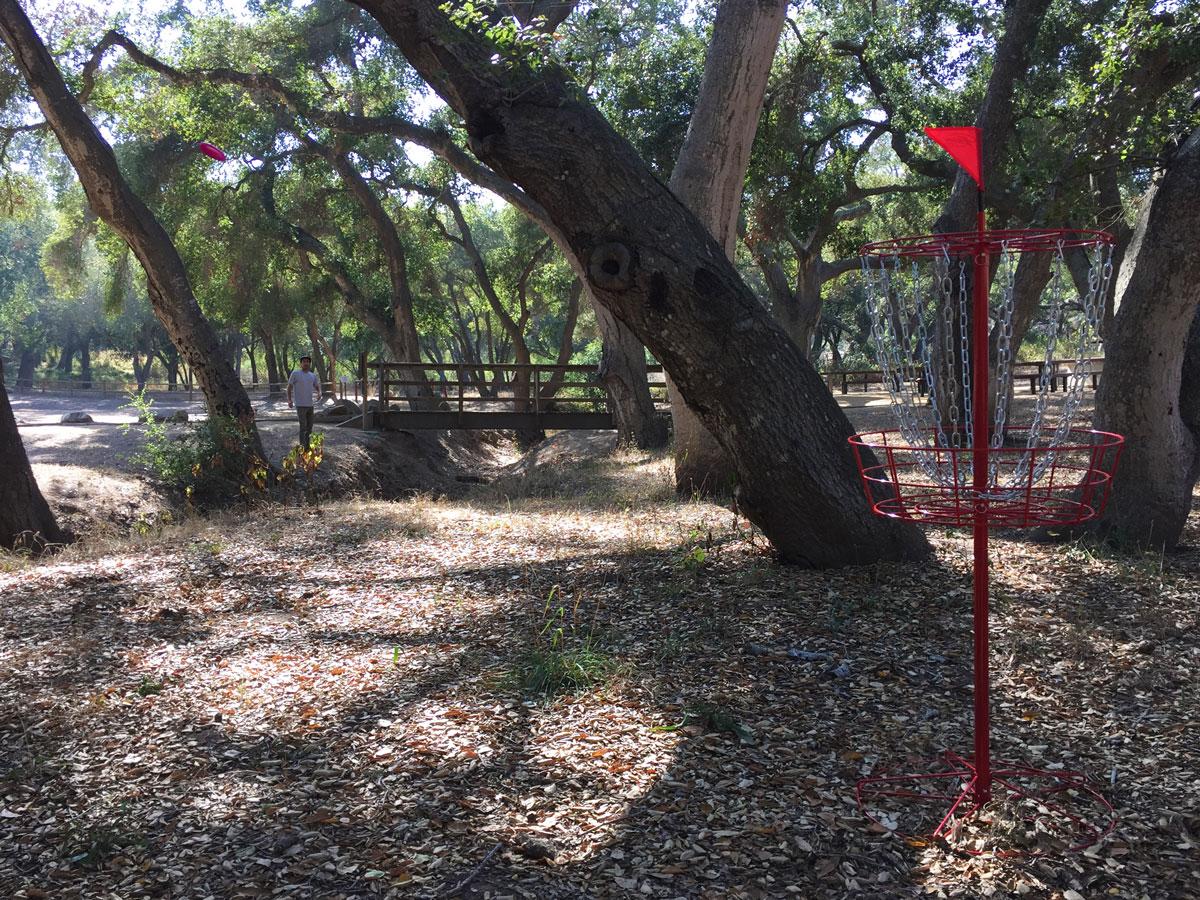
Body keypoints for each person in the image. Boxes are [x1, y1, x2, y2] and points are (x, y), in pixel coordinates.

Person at [287, 356, 322, 449]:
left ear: (309, 364)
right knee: (303, 427)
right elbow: (289, 387)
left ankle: (307, 446)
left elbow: (316, 385)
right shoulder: (295, 373)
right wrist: (289, 400)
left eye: (307, 361)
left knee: (310, 427)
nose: (306, 363)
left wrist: (319, 393)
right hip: (300, 405)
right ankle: (302, 447)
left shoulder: (312, 375)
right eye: (304, 361)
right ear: (301, 363)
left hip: (310, 405)